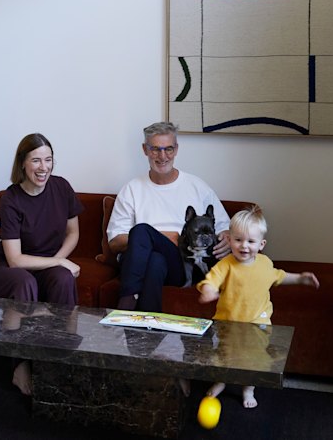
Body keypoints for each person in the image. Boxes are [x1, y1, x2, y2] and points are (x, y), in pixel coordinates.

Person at [0, 132, 84, 395]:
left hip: (46, 262)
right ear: (23, 164)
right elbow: (15, 259)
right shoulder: (11, 199)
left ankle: (62, 355)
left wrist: (58, 262)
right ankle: (21, 364)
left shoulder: (62, 187)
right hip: (7, 266)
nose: (43, 167)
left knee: (62, 278)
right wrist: (59, 260)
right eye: (36, 160)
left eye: (48, 160)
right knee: (25, 281)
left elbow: (73, 232)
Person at [197, 205, 320, 408]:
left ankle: (248, 389)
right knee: (224, 355)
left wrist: (300, 278)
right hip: (228, 323)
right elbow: (212, 279)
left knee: (252, 360)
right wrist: (209, 289)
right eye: (238, 240)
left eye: (250, 241)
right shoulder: (225, 264)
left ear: (261, 244)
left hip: (257, 324)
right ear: (229, 240)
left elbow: (279, 276)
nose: (244, 246)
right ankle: (221, 380)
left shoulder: (265, 264)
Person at [106, 121, 231, 313]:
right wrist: (160, 237)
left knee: (142, 230)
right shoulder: (131, 189)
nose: (162, 156)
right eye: (155, 149)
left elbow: (224, 227)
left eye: (168, 149)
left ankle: (125, 305)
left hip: (181, 263)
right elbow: (114, 243)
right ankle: (148, 335)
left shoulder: (197, 187)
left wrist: (227, 238)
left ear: (176, 149)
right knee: (153, 255)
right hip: (143, 262)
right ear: (145, 150)